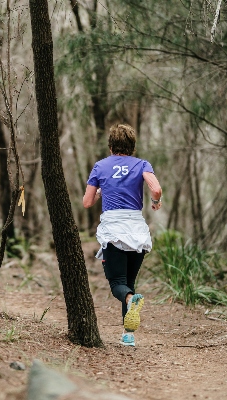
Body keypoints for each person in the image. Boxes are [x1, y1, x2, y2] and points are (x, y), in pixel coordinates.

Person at [83, 123, 162, 347]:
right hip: (137, 229)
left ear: (110, 146)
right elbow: (156, 189)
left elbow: (87, 203)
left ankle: (129, 301)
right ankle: (128, 335)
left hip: (114, 230)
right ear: (132, 146)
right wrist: (155, 202)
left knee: (118, 283)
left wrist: (99, 192)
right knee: (129, 282)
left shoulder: (100, 166)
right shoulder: (142, 165)